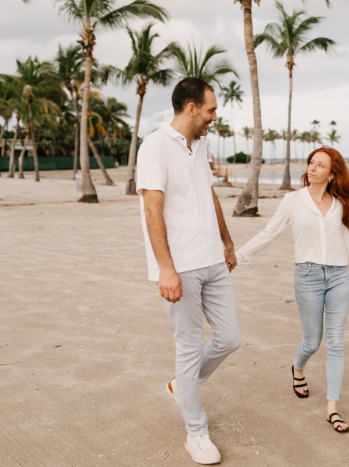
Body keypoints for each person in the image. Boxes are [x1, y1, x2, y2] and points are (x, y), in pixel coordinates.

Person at [137, 77, 240, 465]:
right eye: (212, 109)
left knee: (230, 337)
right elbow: (152, 209)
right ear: (192, 108)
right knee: (189, 346)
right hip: (180, 267)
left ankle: (183, 384)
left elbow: (209, 194)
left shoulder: (200, 146)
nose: (216, 116)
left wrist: (227, 242)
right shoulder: (154, 147)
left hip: (213, 259)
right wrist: (166, 268)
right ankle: (196, 433)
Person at [235, 146, 349, 433]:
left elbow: (347, 243)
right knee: (312, 341)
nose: (312, 168)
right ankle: (298, 368)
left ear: (332, 174)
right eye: (311, 163)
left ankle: (332, 409)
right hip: (308, 276)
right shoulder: (292, 200)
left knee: (336, 343)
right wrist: (239, 256)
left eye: (320, 165)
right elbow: (269, 232)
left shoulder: (341, 203)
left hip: (340, 276)